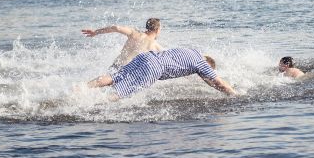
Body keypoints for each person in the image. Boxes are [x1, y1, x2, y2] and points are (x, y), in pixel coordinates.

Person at [88, 48, 236, 99]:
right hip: (155, 67)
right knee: (125, 91)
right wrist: (236, 95)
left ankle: (84, 87)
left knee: (116, 77)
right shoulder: (202, 64)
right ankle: (96, 103)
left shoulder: (192, 51)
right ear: (208, 66)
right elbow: (219, 83)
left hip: (146, 56)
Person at [82, 18, 164, 87]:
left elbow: (116, 28)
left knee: (100, 84)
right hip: (126, 72)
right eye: (160, 29)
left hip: (116, 65)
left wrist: (95, 32)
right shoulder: (155, 45)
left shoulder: (135, 33)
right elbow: (167, 56)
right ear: (157, 30)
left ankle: (82, 87)